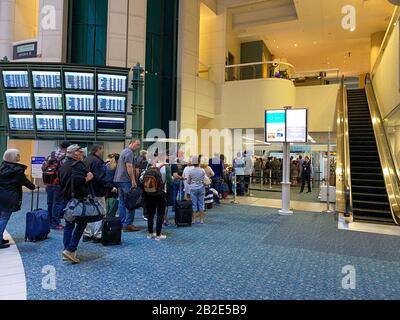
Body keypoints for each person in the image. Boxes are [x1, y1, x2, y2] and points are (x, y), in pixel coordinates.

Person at [59, 145, 94, 264]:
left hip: (66, 198)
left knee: (69, 224)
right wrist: (88, 178)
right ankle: (70, 249)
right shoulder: (78, 165)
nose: (82, 153)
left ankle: (67, 249)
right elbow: (79, 181)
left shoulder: (63, 165)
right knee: (81, 223)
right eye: (80, 151)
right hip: (78, 200)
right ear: (74, 154)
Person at [0, 149, 36, 249]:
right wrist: (33, 187)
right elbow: (24, 181)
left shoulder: (3, 166)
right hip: (9, 196)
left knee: (1, 217)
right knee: (4, 218)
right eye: (17, 155)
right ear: (13, 157)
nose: (19, 156)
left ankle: (0, 237)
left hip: (1, 194)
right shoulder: (16, 170)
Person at [114, 139, 141, 232]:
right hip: (126, 180)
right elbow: (129, 167)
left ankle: (122, 222)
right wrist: (133, 180)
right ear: (132, 143)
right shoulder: (129, 153)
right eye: (137, 145)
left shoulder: (124, 151)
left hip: (119, 179)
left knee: (121, 201)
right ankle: (128, 224)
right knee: (131, 201)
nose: (138, 147)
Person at [42, 141, 71, 230]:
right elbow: (66, 171)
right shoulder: (65, 157)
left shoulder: (51, 155)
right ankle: (55, 223)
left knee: (50, 203)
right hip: (58, 183)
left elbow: (43, 167)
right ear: (67, 148)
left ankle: (50, 221)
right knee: (57, 204)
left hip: (48, 182)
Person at [82, 144, 108, 243]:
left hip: (86, 190)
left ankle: (87, 234)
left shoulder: (86, 160)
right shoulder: (97, 162)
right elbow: (99, 178)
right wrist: (109, 185)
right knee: (100, 212)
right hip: (97, 190)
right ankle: (98, 235)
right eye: (102, 150)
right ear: (98, 150)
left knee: (87, 213)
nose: (102, 152)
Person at [143, 153, 167, 241]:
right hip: (160, 194)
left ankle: (149, 233)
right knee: (160, 214)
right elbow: (165, 180)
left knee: (150, 214)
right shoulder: (164, 167)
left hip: (149, 194)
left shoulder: (148, 169)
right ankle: (158, 234)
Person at [188, 156, 206, 224]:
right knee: (201, 204)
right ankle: (201, 220)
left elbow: (188, 182)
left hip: (193, 188)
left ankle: (194, 219)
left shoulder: (191, 171)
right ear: (199, 162)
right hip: (201, 188)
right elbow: (204, 180)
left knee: (194, 204)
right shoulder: (202, 170)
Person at [105, 153, 119, 218]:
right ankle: (110, 220)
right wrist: (113, 187)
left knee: (108, 206)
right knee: (111, 207)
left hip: (108, 187)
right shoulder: (113, 167)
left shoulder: (107, 165)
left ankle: (108, 219)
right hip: (112, 187)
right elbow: (109, 179)